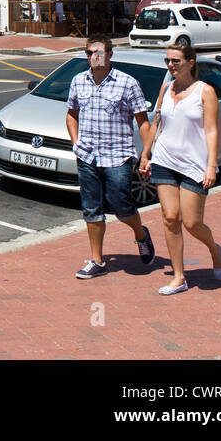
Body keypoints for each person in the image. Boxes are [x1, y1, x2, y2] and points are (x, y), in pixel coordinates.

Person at [141, 44, 221, 294]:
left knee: (191, 223)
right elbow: (156, 122)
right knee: (170, 218)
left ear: (191, 62)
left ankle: (214, 249)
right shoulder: (165, 89)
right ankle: (179, 277)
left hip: (194, 164)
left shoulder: (205, 91)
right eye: (167, 60)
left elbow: (211, 130)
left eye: (176, 61)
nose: (170, 65)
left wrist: (211, 165)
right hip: (165, 160)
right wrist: (146, 154)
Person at [66, 34, 157, 278]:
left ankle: (140, 234)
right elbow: (71, 114)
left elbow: (143, 122)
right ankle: (97, 260)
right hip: (87, 156)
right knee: (91, 209)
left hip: (118, 157)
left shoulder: (127, 83)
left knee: (122, 207)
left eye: (98, 52)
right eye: (89, 53)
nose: (93, 57)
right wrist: (76, 144)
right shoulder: (78, 81)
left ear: (109, 54)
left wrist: (146, 153)